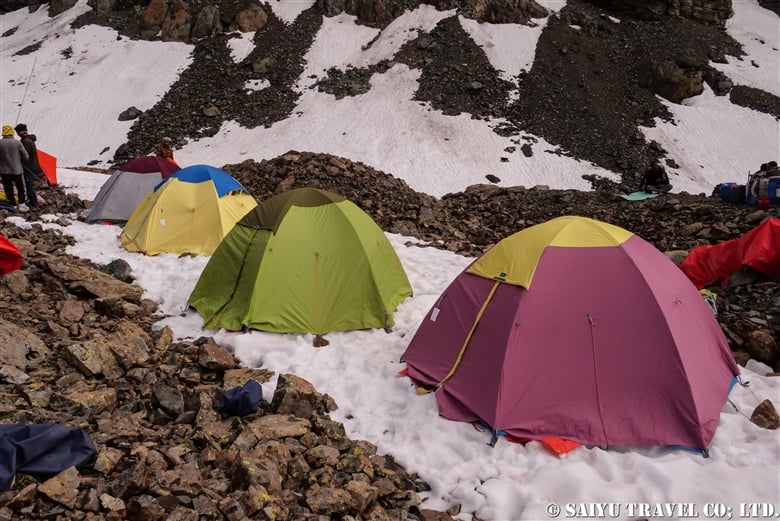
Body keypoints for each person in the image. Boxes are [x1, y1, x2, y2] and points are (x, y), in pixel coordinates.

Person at [0, 125, 29, 212]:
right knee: (20, 187)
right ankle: (21, 204)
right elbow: (26, 156)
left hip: (4, 170)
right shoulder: (17, 143)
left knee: (8, 187)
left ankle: (12, 203)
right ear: (11, 132)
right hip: (17, 170)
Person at [14, 123, 41, 209]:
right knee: (28, 184)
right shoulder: (29, 140)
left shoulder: (26, 142)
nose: (17, 134)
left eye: (18, 132)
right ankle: (32, 200)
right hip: (32, 166)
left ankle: (33, 202)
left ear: (20, 132)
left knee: (28, 184)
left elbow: (24, 156)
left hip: (28, 167)